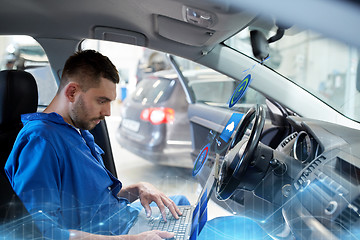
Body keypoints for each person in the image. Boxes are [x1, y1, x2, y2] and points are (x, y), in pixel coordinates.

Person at [5, 50, 189, 240]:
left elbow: (94, 201)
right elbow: (40, 232)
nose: (108, 112)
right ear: (72, 92)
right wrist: (131, 239)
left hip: (120, 220)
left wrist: (137, 188)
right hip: (116, 234)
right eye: (102, 101)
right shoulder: (41, 140)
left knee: (180, 205)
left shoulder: (79, 131)